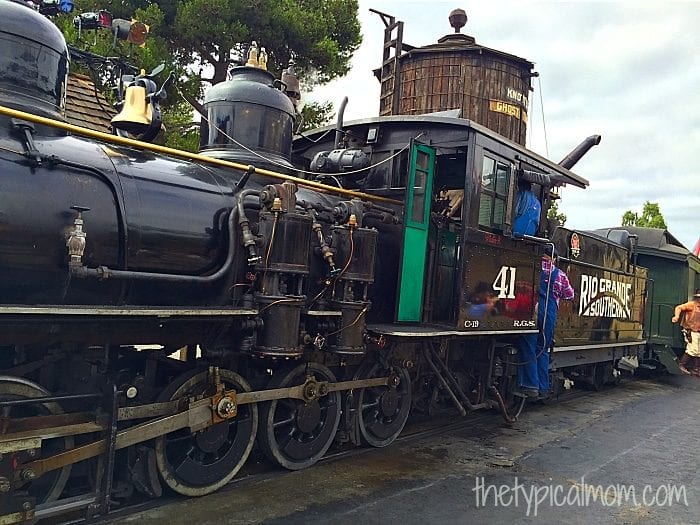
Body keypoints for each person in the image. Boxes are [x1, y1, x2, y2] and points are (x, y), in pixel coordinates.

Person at [515, 247, 575, 397]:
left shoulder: (531, 267)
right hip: (549, 314)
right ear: (553, 258)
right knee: (543, 349)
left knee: (528, 346)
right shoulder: (559, 274)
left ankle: (530, 385)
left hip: (531, 311)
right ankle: (543, 387)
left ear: (542, 255)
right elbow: (570, 294)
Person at [671, 289, 700, 375]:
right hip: (691, 331)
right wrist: (676, 316)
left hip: (698, 331)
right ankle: (681, 364)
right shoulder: (692, 305)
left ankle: (696, 368)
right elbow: (679, 307)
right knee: (693, 349)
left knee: (698, 351)